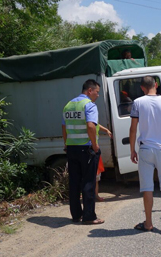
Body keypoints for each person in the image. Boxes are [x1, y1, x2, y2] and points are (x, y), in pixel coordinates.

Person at [129, 76, 161, 232]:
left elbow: (133, 128)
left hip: (145, 149)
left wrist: (132, 149)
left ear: (142, 88)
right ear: (156, 85)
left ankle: (149, 223)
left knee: (147, 187)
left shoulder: (137, 103)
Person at [62, 79, 104, 225]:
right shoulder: (89, 105)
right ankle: (89, 216)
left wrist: (66, 144)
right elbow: (91, 126)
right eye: (97, 92)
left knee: (74, 182)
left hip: (71, 148)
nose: (98, 95)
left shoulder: (68, 105)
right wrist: (95, 145)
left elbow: (64, 127)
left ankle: (76, 215)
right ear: (89, 91)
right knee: (88, 182)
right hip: (86, 149)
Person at [95, 124, 112, 202]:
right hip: (92, 151)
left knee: (96, 177)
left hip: (92, 150)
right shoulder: (90, 116)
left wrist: (106, 130)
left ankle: (95, 195)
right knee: (96, 177)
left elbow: (96, 125)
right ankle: (95, 195)